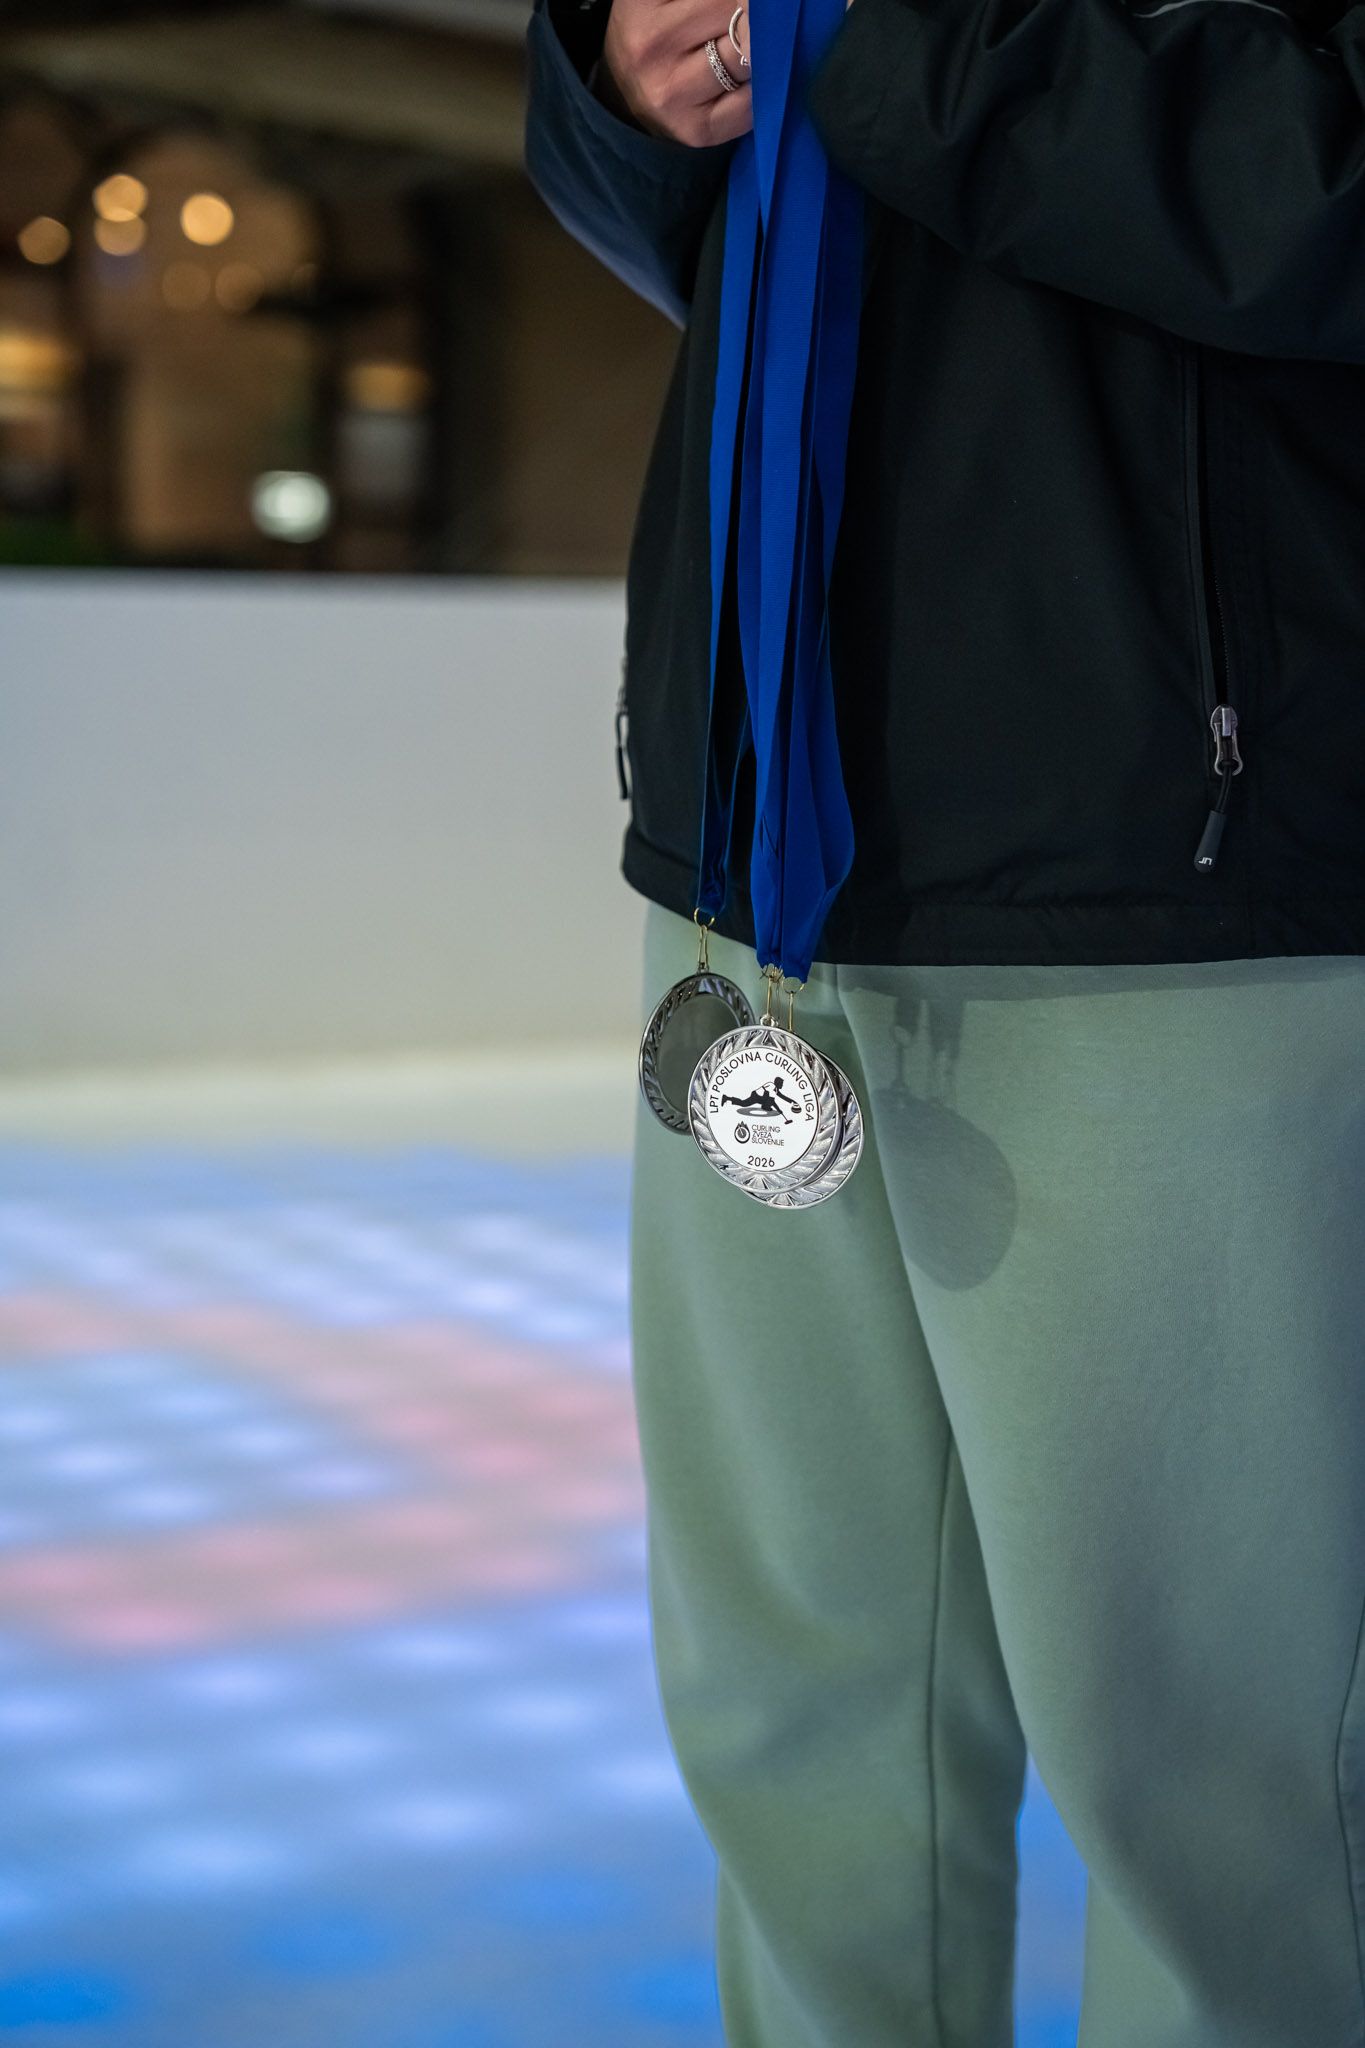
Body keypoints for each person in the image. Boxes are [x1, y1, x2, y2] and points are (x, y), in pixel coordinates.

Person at [522, 0, 1365, 2039]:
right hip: (761, 856)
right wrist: (618, 81)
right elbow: (684, 221)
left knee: (1210, 1762)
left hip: (1172, 886)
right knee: (796, 1707)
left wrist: (867, 35)